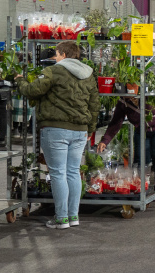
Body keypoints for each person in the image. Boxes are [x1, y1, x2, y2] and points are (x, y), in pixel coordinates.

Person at [16, 40, 99, 230]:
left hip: (56, 129)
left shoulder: (54, 70)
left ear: (61, 54)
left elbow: (33, 90)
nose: (55, 56)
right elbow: (95, 104)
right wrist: (91, 129)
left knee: (58, 173)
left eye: (56, 53)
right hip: (80, 130)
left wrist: (20, 79)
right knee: (73, 172)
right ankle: (73, 216)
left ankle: (61, 218)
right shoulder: (89, 74)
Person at [97, 94, 155, 200]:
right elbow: (116, 122)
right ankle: (140, 188)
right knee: (140, 160)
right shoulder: (123, 102)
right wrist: (105, 140)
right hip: (142, 130)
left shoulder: (151, 93)